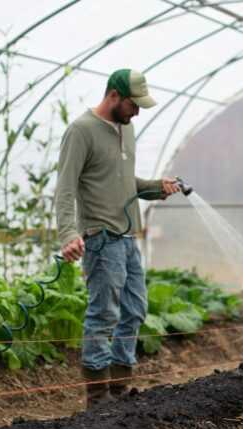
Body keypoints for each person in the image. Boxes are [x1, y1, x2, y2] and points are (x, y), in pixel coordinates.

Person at [54, 68, 181, 408]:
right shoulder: (81, 131)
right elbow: (65, 189)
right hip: (101, 238)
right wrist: (68, 233)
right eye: (133, 104)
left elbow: (125, 183)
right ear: (113, 96)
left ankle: (120, 390)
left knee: (135, 309)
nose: (137, 111)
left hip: (127, 238)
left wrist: (157, 188)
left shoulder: (127, 129)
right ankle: (98, 397)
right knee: (103, 314)